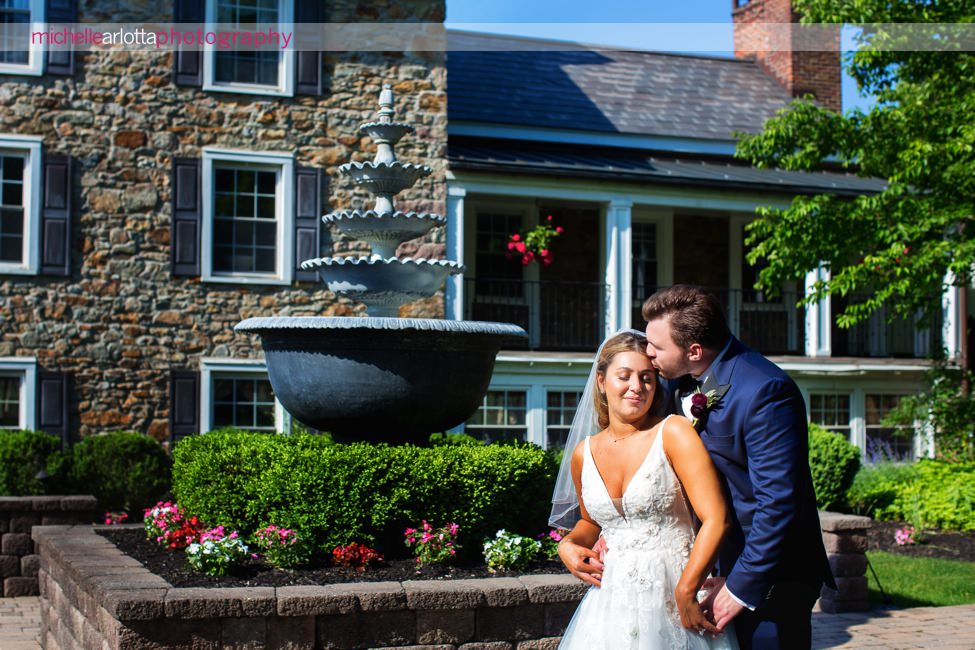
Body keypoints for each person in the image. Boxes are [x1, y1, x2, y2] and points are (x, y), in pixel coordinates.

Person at [641, 285, 834, 650]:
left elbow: (778, 503)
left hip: (772, 578)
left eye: (657, 346)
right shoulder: (678, 381)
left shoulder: (766, 391)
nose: (648, 354)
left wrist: (741, 587)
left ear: (694, 351)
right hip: (716, 565)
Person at [552, 330, 739, 650]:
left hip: (675, 595)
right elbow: (591, 522)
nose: (636, 387)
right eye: (624, 376)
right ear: (601, 381)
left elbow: (716, 518)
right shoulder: (584, 453)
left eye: (647, 378)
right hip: (610, 606)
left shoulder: (673, 432)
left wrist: (687, 591)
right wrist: (567, 546)